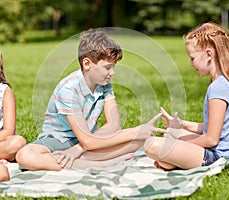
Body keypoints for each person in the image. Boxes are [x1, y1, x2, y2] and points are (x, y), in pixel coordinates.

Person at [16, 29, 162, 171]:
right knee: (24, 156)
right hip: (59, 140)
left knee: (141, 140)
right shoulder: (68, 89)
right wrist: (135, 131)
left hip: (89, 140)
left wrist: (78, 149)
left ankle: (75, 159)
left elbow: (114, 125)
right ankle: (98, 164)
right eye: (107, 67)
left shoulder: (104, 84)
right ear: (87, 64)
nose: (112, 73)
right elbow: (87, 140)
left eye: (114, 67)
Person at [144, 22, 229, 170]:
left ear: (209, 54)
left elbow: (211, 139)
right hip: (222, 154)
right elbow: (215, 128)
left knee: (151, 145)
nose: (191, 64)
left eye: (192, 58)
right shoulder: (224, 82)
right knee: (170, 134)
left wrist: (180, 145)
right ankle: (172, 161)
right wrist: (181, 125)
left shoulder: (218, 88)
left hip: (220, 158)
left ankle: (173, 161)